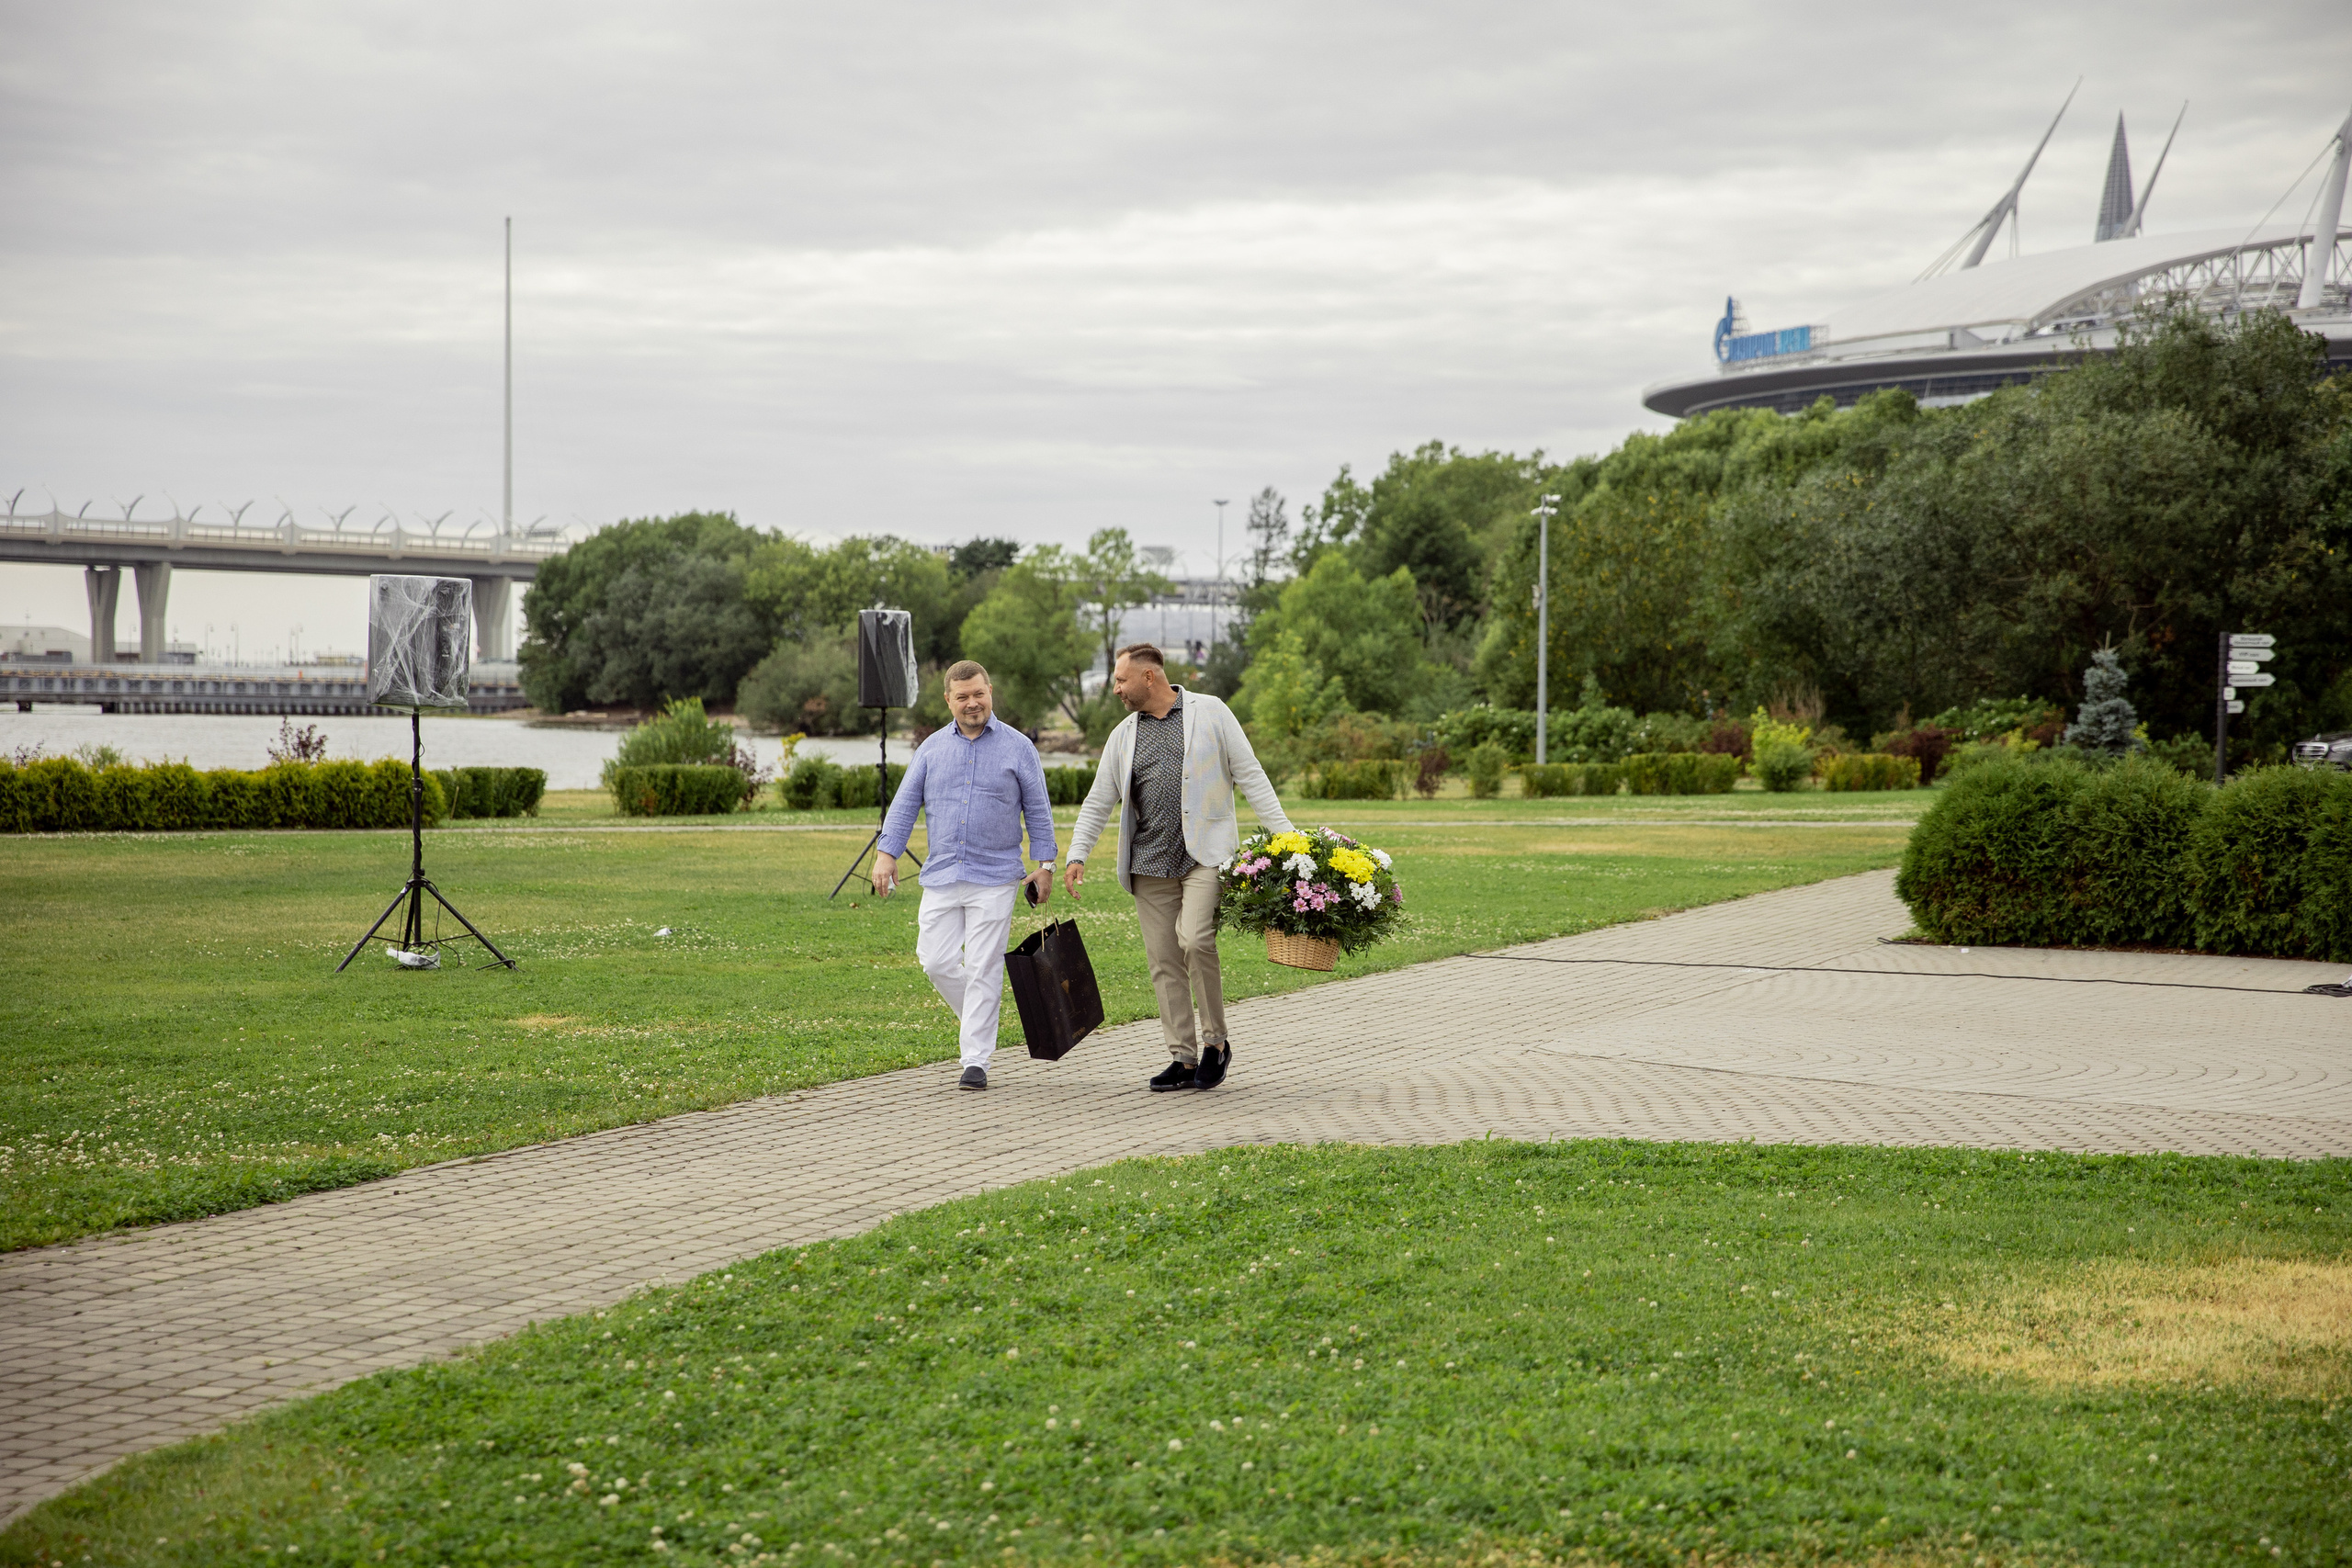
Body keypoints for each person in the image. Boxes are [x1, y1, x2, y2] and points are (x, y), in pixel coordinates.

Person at [1065, 642, 1294, 1092]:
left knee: (1195, 939)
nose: (1115, 689)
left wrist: (1287, 839)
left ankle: (1216, 1044)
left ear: (1148, 677)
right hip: (1149, 863)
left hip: (1205, 856)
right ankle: (1183, 1058)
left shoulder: (1211, 712)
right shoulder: (1124, 734)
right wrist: (1077, 854)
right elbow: (1098, 801)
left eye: (1120, 680)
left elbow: (1251, 775)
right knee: (1164, 960)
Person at [875, 660, 1057, 1091]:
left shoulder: (1018, 747)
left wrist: (1045, 865)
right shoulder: (931, 749)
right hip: (941, 874)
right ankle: (979, 1016)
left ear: (990, 691)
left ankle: (975, 1060)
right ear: (948, 700)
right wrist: (886, 854)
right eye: (963, 696)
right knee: (935, 961)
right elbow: (903, 806)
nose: (972, 703)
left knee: (983, 966)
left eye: (979, 694)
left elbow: (1039, 811)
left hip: (996, 875)